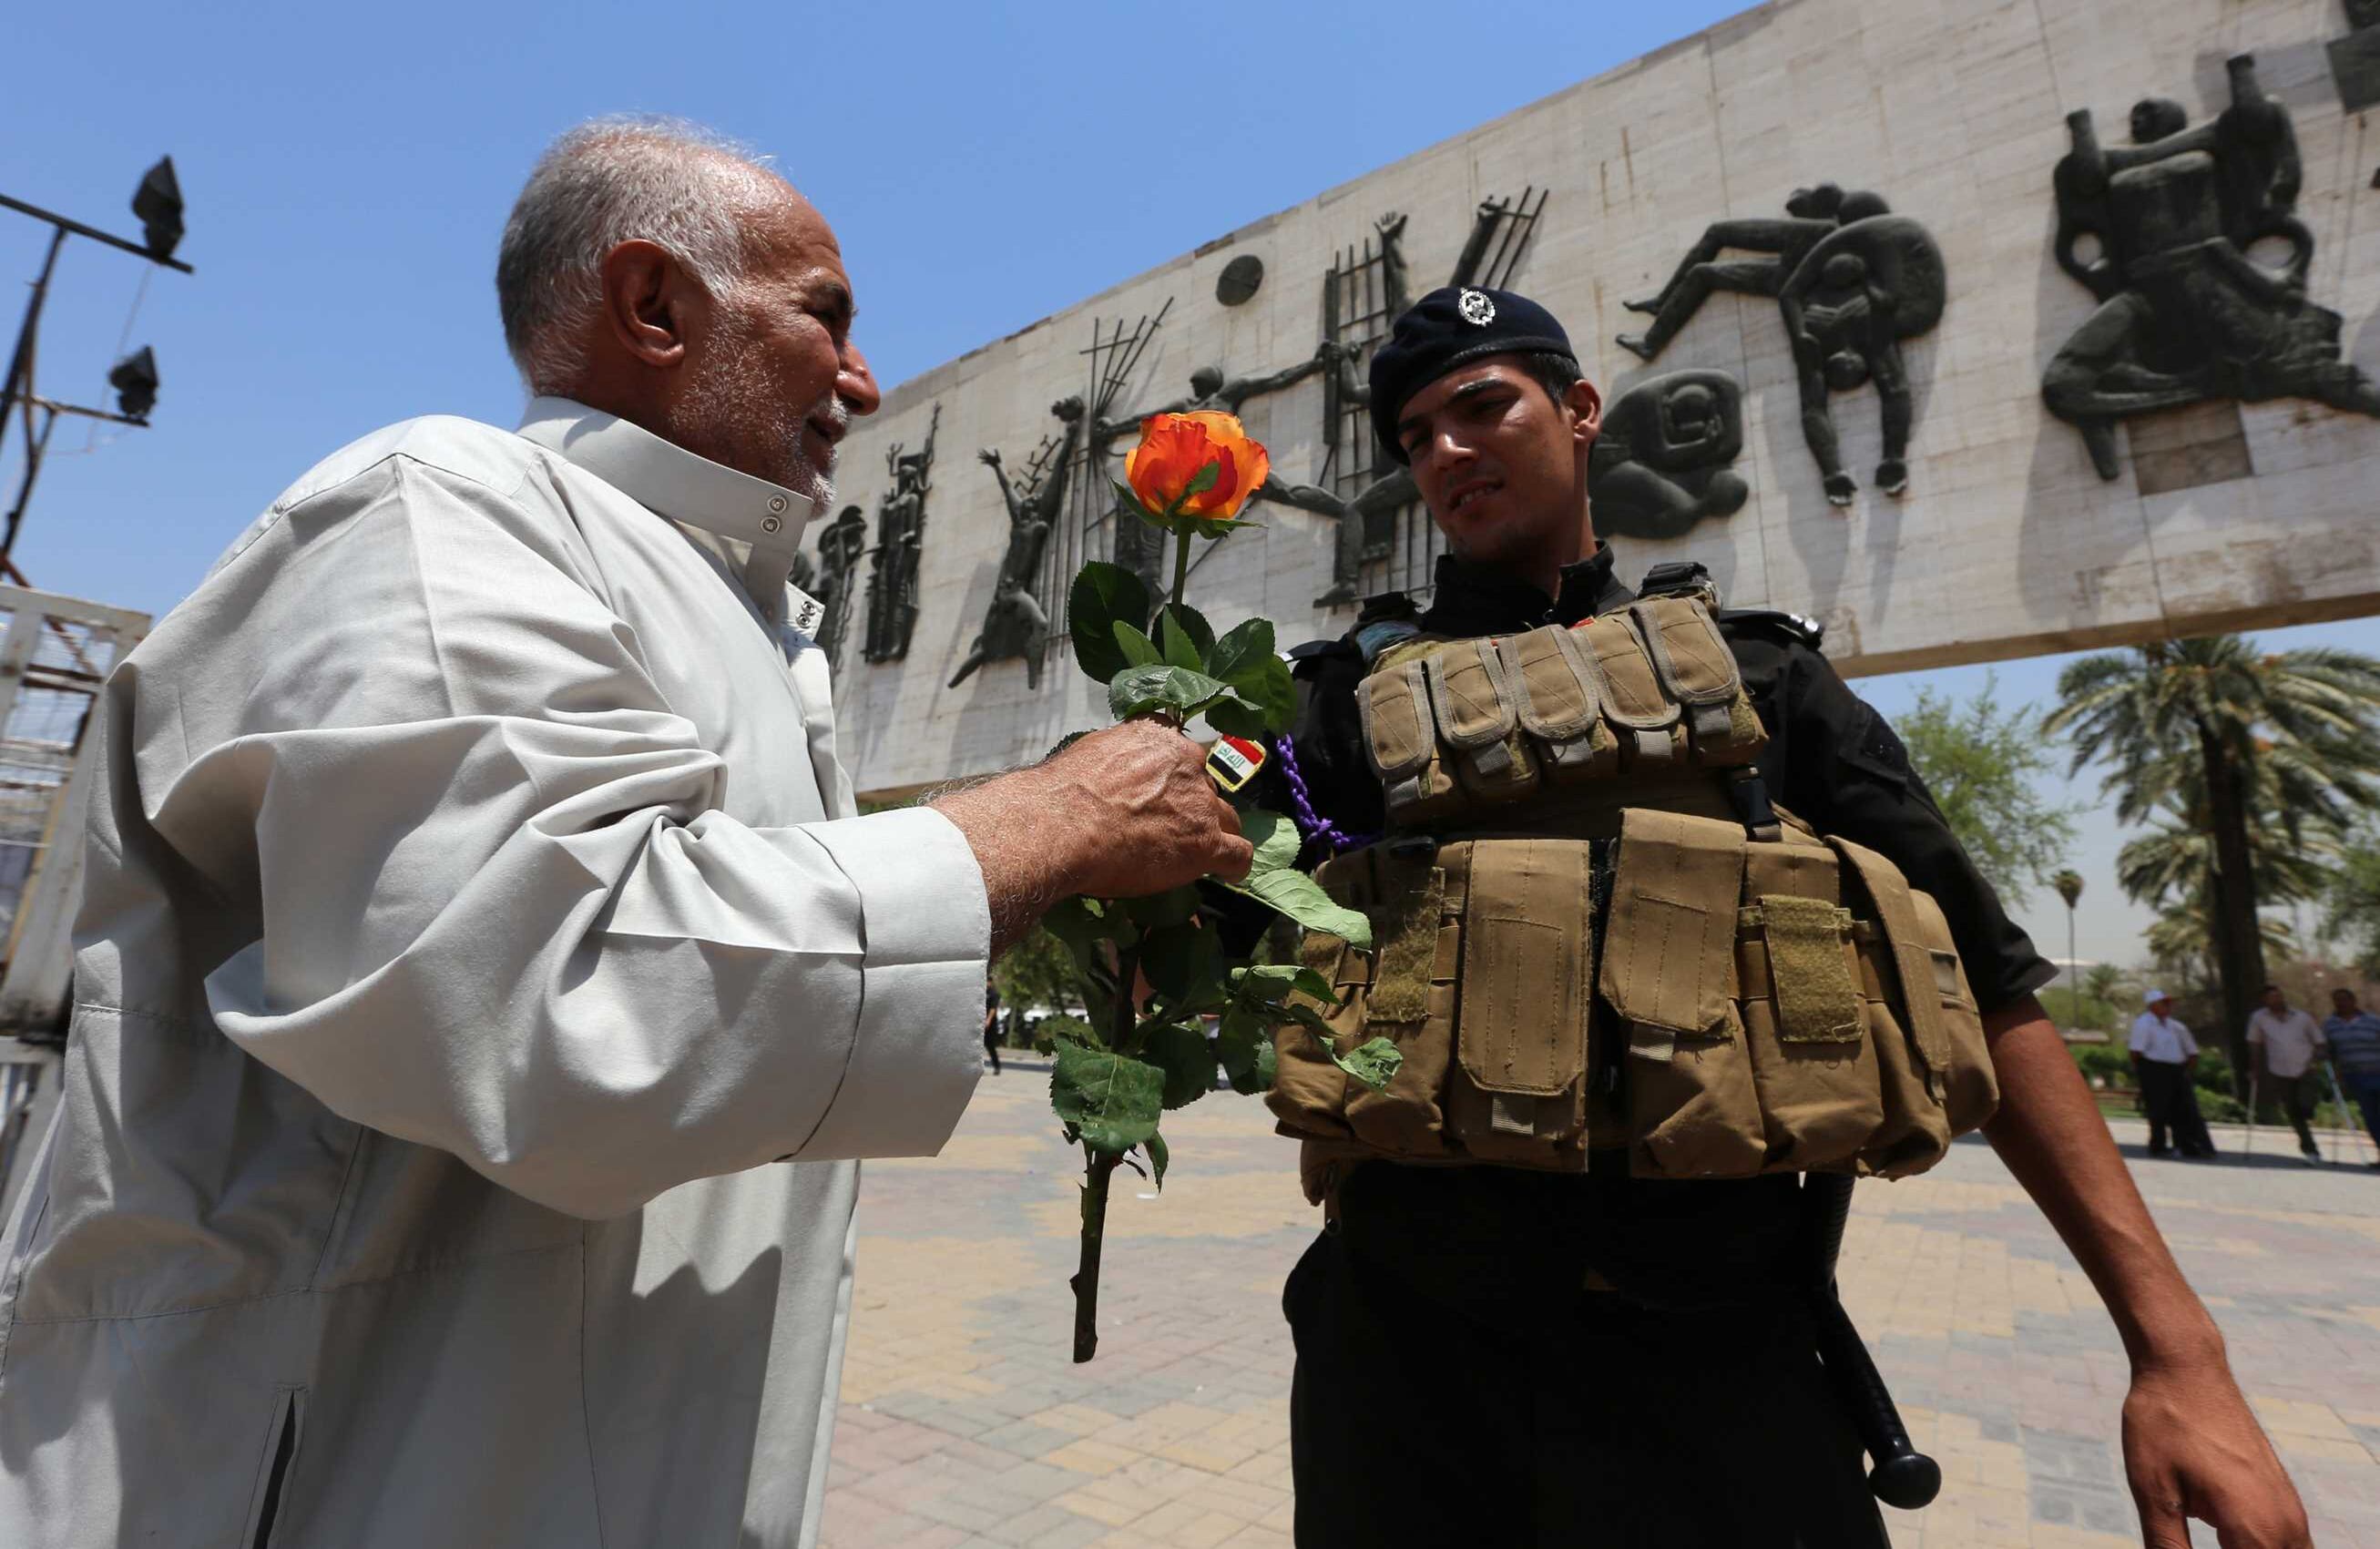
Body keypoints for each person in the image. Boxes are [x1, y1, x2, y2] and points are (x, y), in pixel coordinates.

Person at [0, 118, 1251, 1549]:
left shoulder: (740, 611)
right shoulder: (439, 512)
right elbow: (560, 999)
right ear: (654, 305)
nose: (863, 379)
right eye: (825, 319)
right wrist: (1045, 826)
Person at [1250, 286, 2308, 1547]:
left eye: (1482, 407)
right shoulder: (1342, 708)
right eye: (1416, 435)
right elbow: (1188, 902)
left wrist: (2177, 1355)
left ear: (1582, 411)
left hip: (1718, 1363)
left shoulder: (1759, 681)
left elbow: (1988, 979)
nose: (1446, 452)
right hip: (1405, 1370)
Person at [2247, 983, 2327, 1162]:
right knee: (2293, 1111)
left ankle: (2308, 1112)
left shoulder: (2302, 1017)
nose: (2276, 999)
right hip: (2280, 1070)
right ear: (2264, 1001)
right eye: (2271, 997)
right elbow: (2255, 1043)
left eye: (2278, 995)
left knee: (2306, 1105)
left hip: (2306, 1067)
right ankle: (2310, 1149)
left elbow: (2319, 1040)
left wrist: (2320, 1053)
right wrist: (2255, 1067)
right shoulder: (2259, 1018)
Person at [2131, 990, 2215, 1159]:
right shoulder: (2144, 1024)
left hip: (2177, 1069)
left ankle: (2191, 1144)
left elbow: (2192, 1052)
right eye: (2164, 1003)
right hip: (2154, 1069)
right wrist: (2143, 1074)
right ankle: (2158, 1145)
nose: (2168, 1006)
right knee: (2158, 1109)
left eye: (2169, 1003)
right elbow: (2136, 1051)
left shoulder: (2176, 1026)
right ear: (2153, 1005)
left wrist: (2187, 1071)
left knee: (2187, 1109)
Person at [2322, 986, 2380, 1164]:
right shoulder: (2330, 1025)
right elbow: (2329, 1050)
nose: (2341, 1003)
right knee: (2371, 1117)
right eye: (2337, 1000)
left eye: (2345, 999)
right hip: (2355, 1075)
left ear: (2353, 1001)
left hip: (2378, 1071)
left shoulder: (2373, 1021)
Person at [984, 983, 1005, 1075]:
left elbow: (993, 1009)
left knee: (990, 1046)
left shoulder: (994, 994)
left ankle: (997, 1067)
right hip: (980, 1022)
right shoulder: (982, 992)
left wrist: (988, 1021)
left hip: (990, 1025)